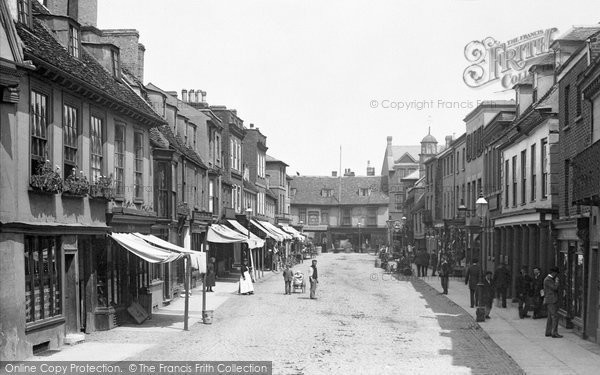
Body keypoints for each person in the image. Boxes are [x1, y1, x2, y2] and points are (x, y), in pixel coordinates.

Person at [544, 266, 562, 338]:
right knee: (555, 316)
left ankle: (548, 332)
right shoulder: (548, 280)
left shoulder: (549, 279)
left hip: (551, 299)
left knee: (550, 316)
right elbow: (555, 288)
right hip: (551, 300)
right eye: (556, 273)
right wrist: (557, 282)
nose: (556, 275)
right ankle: (554, 332)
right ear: (554, 273)